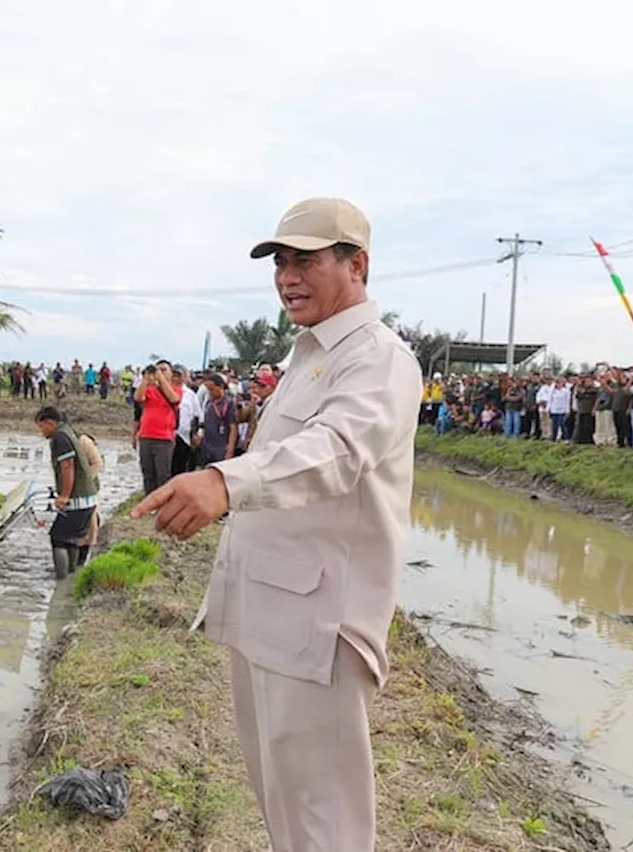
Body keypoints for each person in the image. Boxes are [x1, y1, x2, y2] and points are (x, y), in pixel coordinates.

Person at [131, 197, 421, 851]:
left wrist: (222, 482)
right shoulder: (309, 357)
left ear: (358, 265)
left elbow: (336, 451)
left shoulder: (378, 359)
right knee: (283, 804)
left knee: (324, 821)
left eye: (306, 260)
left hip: (317, 627)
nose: (288, 277)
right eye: (281, 261)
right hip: (268, 612)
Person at [34, 406, 97, 579]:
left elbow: (67, 466)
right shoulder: (68, 431)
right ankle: (71, 576)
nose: (41, 432)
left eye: (41, 427)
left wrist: (64, 496)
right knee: (71, 538)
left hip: (77, 500)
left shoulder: (59, 437)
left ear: (49, 422)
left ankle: (61, 580)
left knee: (58, 538)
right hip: (88, 498)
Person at [133, 360, 180, 494]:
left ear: (171, 373)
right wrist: (146, 379)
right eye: (158, 369)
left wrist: (160, 377)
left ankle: (163, 504)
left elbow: (174, 399)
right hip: (146, 436)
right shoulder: (150, 390)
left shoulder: (176, 389)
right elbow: (138, 397)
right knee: (148, 473)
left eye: (164, 369)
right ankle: (149, 502)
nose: (160, 372)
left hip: (164, 438)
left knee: (162, 474)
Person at [196, 373, 238, 465]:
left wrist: (230, 449)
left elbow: (233, 428)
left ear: (221, 386)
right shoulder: (209, 403)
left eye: (212, 389)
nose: (210, 392)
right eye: (208, 390)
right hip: (207, 446)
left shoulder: (229, 403)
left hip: (221, 447)